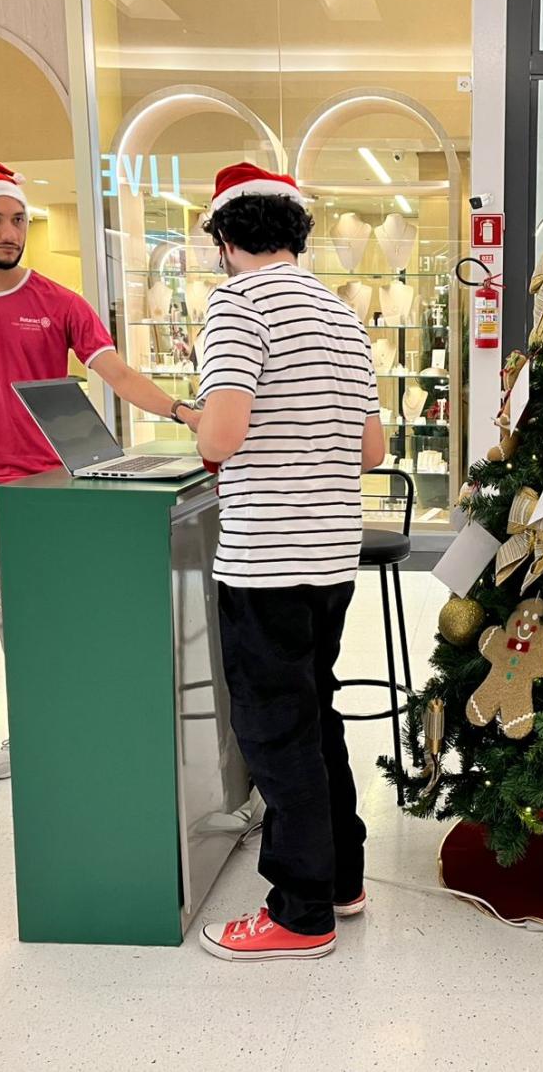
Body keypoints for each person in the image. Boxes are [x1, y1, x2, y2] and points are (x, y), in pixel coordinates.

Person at [0, 157, 202, 780]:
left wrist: (181, 410)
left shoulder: (60, 303)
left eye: (17, 219)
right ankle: (30, 726)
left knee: (79, 600)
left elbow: (115, 373)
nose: (10, 231)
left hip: (63, 482)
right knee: (21, 606)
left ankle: (87, 711)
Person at [191, 164, 383, 963]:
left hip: (266, 557)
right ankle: (342, 876)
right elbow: (372, 449)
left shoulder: (236, 306)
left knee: (276, 730)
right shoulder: (342, 315)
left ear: (227, 238)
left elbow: (219, 438)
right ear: (297, 235)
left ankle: (301, 912)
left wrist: (196, 414)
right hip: (331, 554)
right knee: (314, 713)